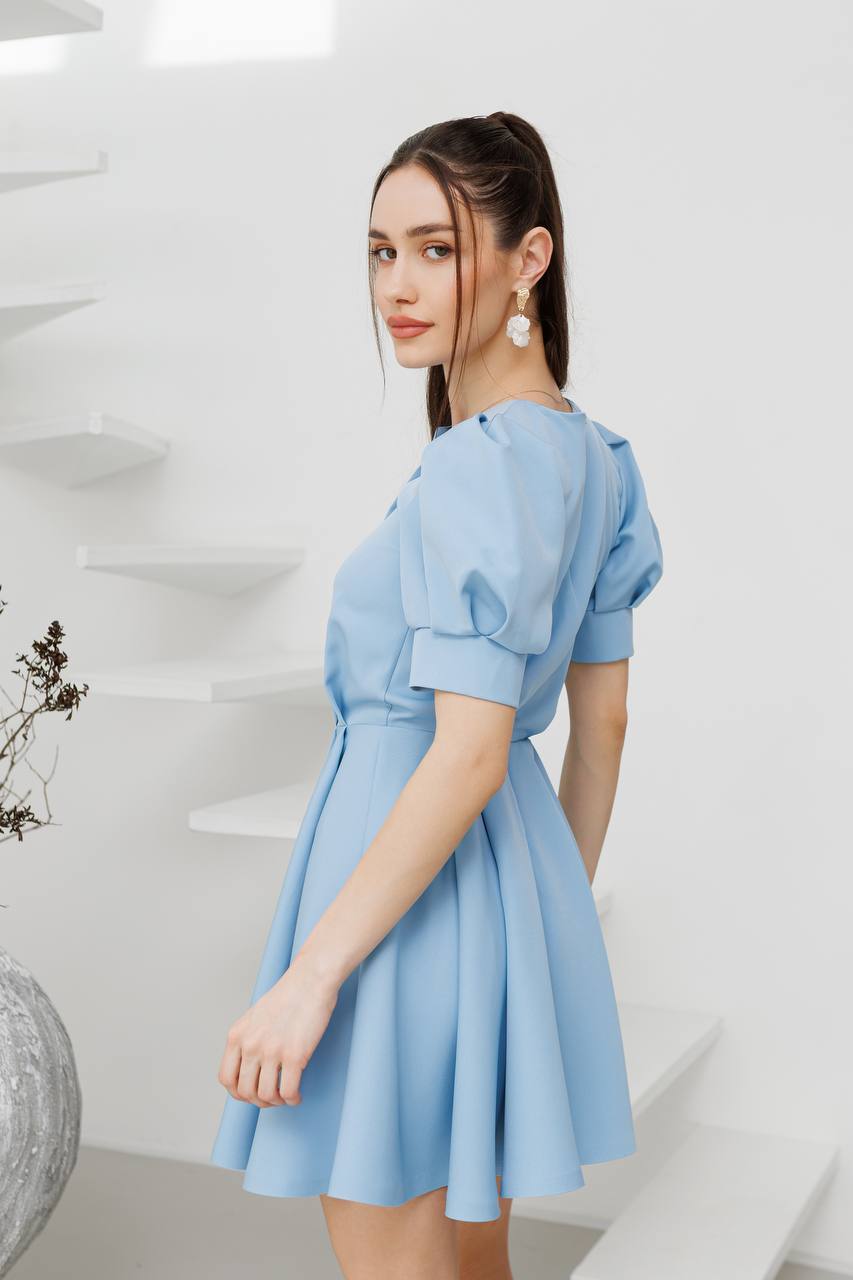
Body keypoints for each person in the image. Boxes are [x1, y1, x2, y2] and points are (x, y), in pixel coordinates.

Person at [210, 110, 664, 1280]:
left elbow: (462, 751)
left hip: (400, 904)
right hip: (493, 886)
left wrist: (311, 977)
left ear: (530, 259)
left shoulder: (477, 463)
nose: (396, 284)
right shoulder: (595, 460)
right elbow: (600, 729)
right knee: (473, 1258)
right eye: (380, 249)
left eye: (437, 247)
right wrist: (531, 927)